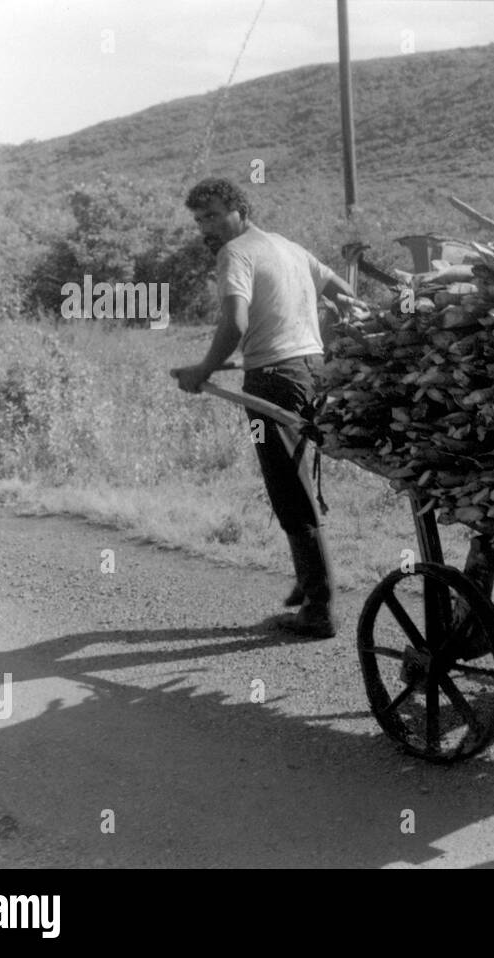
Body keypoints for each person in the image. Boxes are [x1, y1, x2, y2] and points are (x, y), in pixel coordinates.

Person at [173, 177, 357, 638]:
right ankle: (307, 580)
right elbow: (346, 298)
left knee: (288, 491)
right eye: (199, 220)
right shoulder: (289, 248)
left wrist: (203, 370)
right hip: (309, 374)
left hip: (273, 382)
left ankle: (318, 610)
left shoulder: (235, 254)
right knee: (295, 481)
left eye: (213, 215)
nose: (205, 228)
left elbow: (234, 321)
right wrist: (318, 344)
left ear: (240, 209)